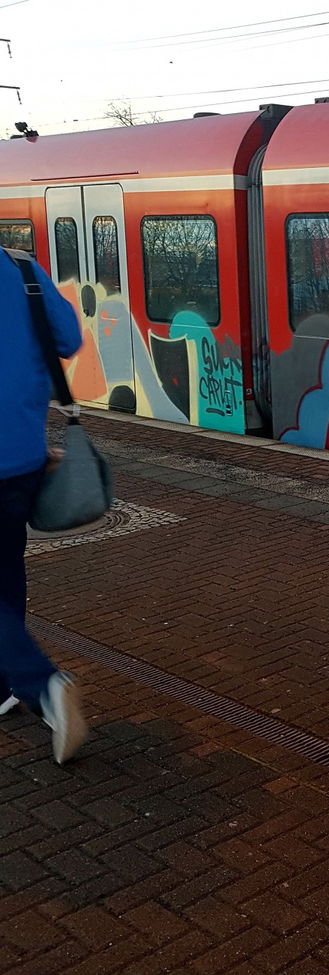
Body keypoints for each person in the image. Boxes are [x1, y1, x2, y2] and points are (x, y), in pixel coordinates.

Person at [0, 248, 88, 763]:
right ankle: (7, 685)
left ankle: (41, 684)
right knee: (6, 567)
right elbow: (68, 340)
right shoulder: (22, 269)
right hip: (23, 457)